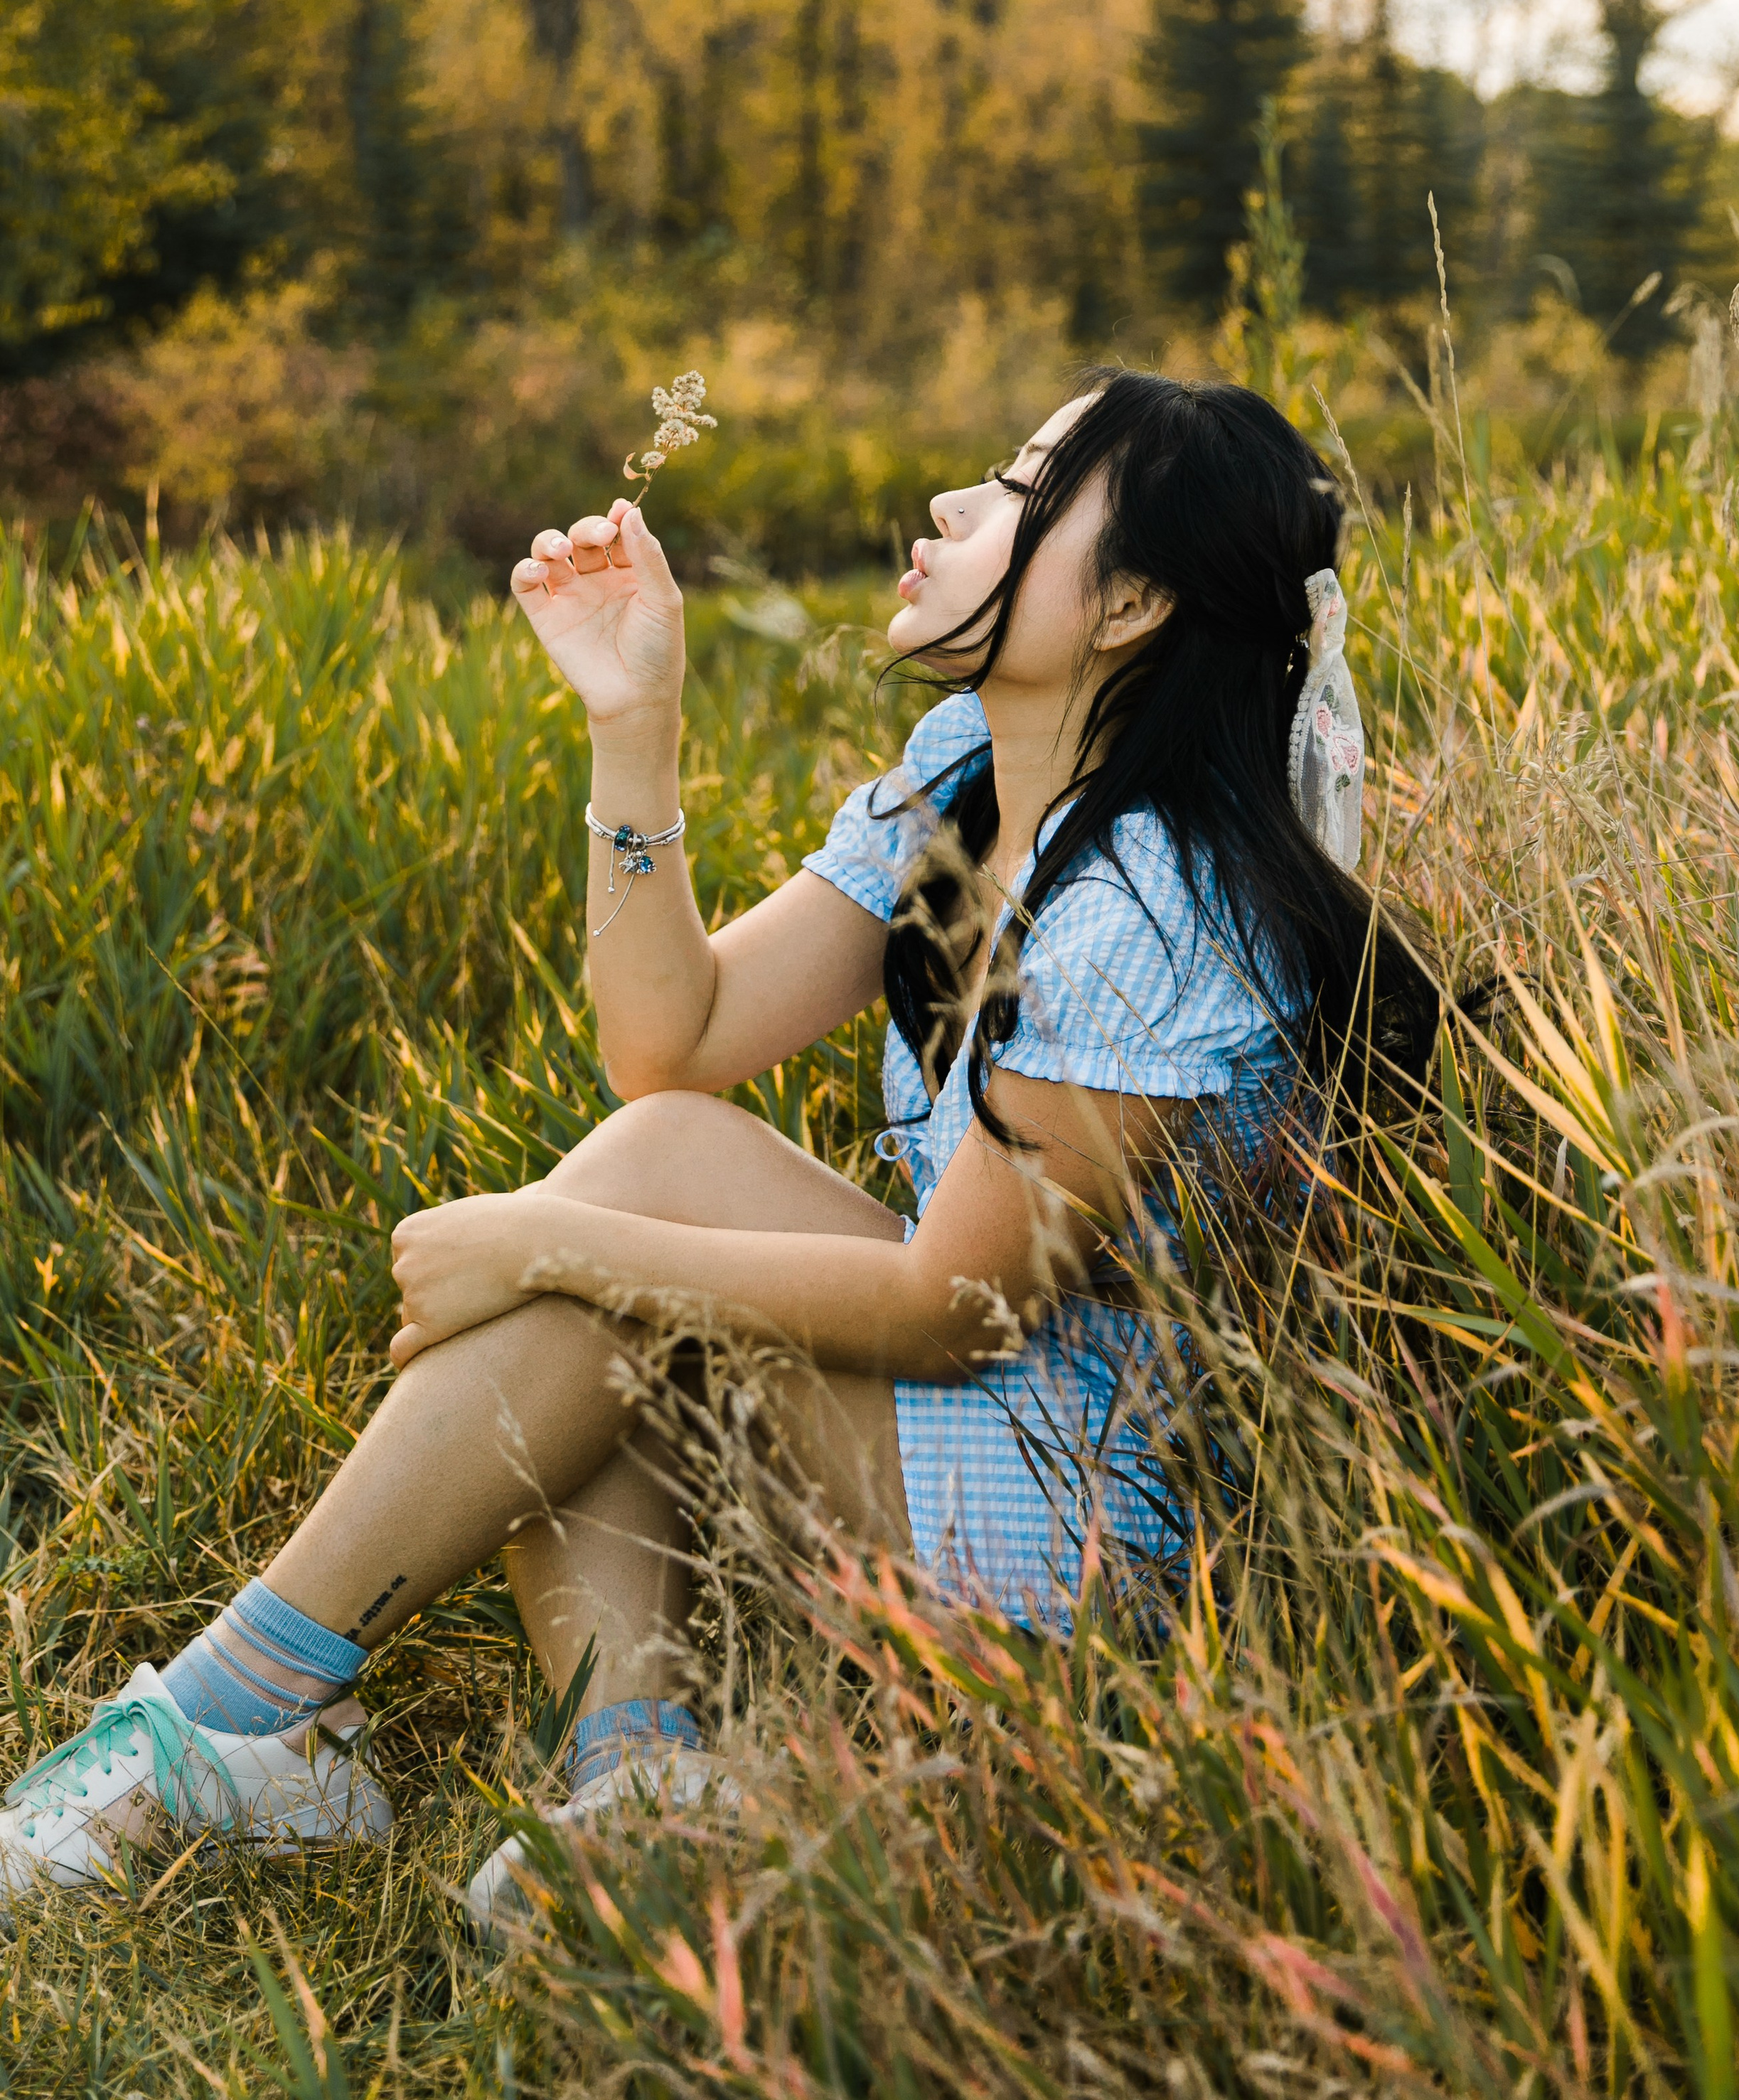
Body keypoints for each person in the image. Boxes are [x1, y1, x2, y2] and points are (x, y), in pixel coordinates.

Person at [0, 370, 1435, 1929]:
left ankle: (230, 1718)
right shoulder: (970, 803)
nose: (957, 504)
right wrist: (635, 724)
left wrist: (548, 1245)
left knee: (626, 1219)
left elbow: (964, 1306)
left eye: (1025, 490)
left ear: (1131, 603)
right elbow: (667, 1041)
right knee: (651, 1170)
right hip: (966, 1453)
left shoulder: (1148, 905)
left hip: (1099, 1562)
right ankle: (631, 1783)